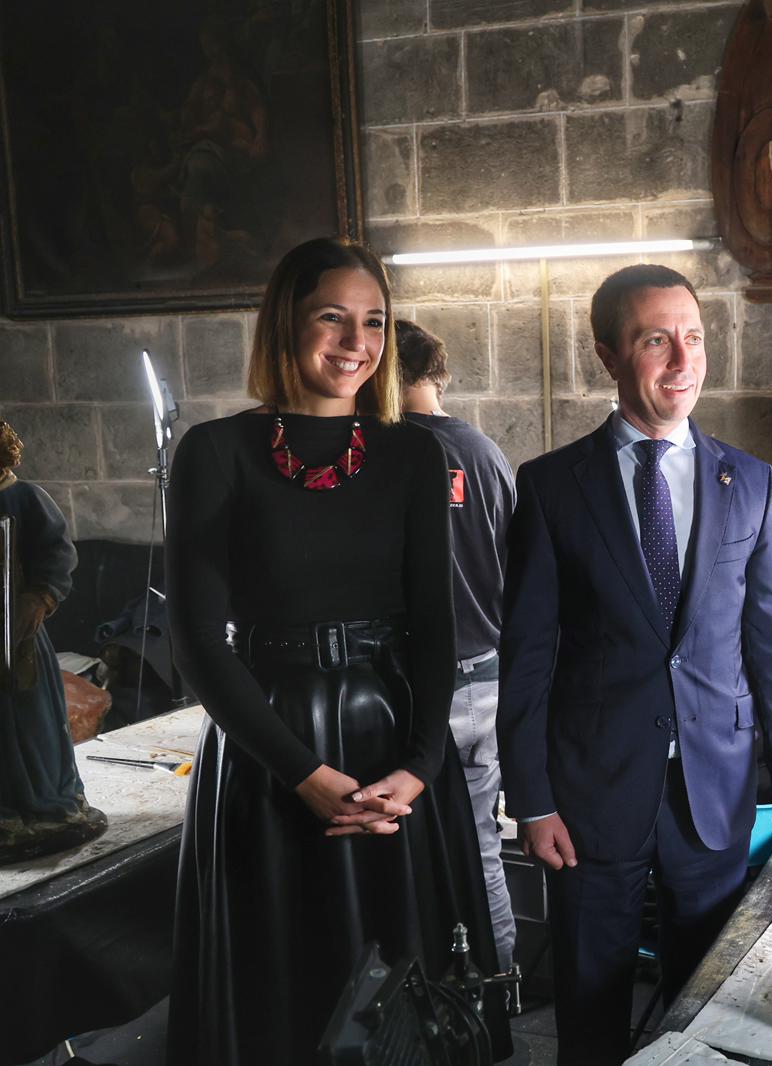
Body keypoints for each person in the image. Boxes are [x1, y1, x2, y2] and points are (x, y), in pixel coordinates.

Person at [166, 238, 507, 1065]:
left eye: (375, 321)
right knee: (286, 989)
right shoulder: (214, 452)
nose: (357, 341)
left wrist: (421, 767)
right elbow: (198, 644)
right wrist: (304, 775)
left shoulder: (413, 453)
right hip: (271, 751)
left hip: (394, 741)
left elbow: (434, 628)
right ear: (286, 321)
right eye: (333, 317)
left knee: (412, 992)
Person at [499, 263, 772, 1065]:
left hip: (715, 786)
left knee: (703, 1007)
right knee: (590, 1009)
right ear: (609, 356)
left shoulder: (748, 481)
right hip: (589, 794)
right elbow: (527, 657)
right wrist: (531, 799)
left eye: (694, 338)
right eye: (655, 341)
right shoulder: (551, 487)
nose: (683, 361)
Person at [396, 318, 519, 971]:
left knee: (406, 855)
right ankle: (498, 992)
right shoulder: (485, 452)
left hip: (417, 689)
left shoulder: (389, 454)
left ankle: (425, 1002)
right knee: (480, 847)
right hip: (487, 679)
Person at [0, 420, 107, 863]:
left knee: (30, 722)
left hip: (18, 636)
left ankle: (44, 805)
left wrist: (40, 596)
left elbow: (57, 552)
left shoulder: (23, 497)